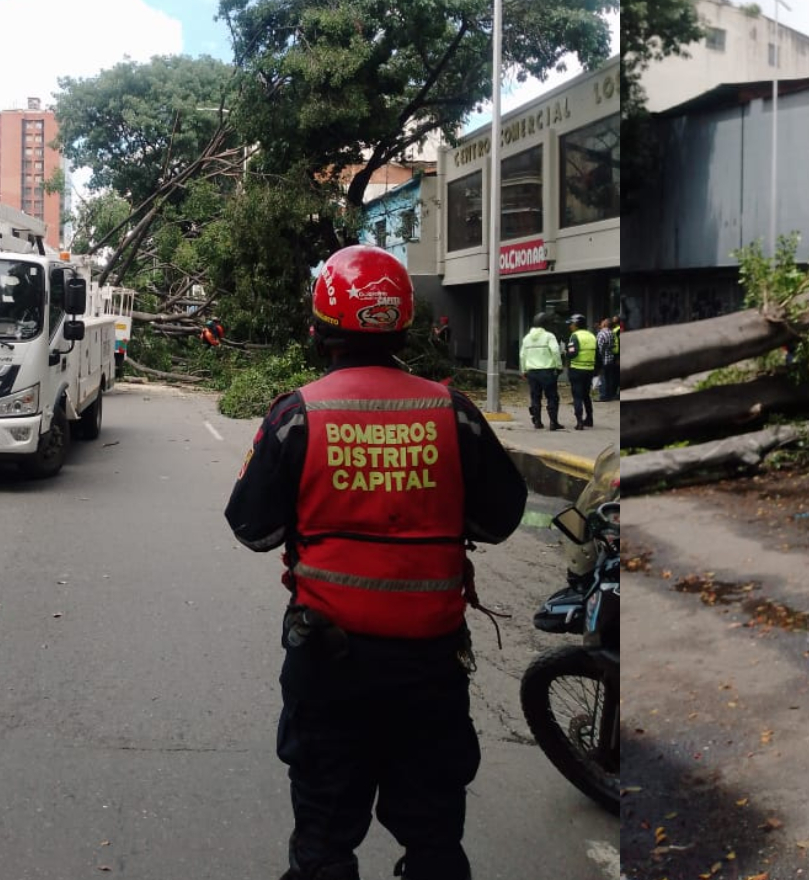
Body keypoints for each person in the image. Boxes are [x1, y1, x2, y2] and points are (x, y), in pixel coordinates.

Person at [225, 245, 527, 880]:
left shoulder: (297, 414)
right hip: (429, 663)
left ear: (320, 328)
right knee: (435, 836)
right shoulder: (454, 412)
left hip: (329, 664)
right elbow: (499, 520)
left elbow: (253, 529)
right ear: (405, 325)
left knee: (325, 839)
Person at [519, 317, 565, 431]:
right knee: (552, 397)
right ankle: (553, 423)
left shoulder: (527, 338)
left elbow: (522, 355)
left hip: (532, 372)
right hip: (547, 372)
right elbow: (555, 351)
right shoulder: (549, 336)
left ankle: (537, 422)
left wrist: (524, 370)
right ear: (545, 324)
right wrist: (559, 366)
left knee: (535, 397)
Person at [563, 312, 598, 430]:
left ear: (577, 325)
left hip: (577, 370)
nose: (570, 326)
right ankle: (589, 419)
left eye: (571, 324)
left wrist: (565, 353)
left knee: (577, 396)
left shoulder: (575, 336)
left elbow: (573, 353)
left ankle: (579, 422)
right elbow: (597, 354)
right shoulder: (592, 336)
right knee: (586, 395)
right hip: (589, 370)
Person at [593, 318, 614, 401]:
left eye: (602, 323)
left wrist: (597, 360)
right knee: (609, 378)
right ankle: (609, 395)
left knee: (603, 377)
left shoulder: (601, 334)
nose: (600, 323)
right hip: (610, 358)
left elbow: (599, 348)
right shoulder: (611, 333)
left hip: (603, 359)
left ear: (605, 324)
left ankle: (603, 395)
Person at [603, 319, 622, 404]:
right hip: (615, 356)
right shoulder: (615, 330)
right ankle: (614, 394)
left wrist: (618, 357)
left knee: (616, 376)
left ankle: (616, 394)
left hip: (617, 356)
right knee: (615, 376)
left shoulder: (618, 330)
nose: (613, 319)